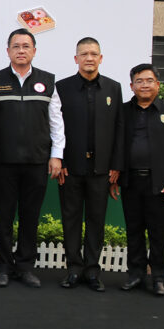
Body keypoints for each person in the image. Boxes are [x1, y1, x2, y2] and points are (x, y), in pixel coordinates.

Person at [0, 28, 65, 288]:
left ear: (34, 51)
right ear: (8, 51)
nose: (21, 50)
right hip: (3, 163)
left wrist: (56, 156)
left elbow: (56, 123)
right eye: (16, 46)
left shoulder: (48, 82)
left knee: (30, 217)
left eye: (26, 46)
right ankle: (3, 267)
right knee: (3, 217)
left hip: (37, 161)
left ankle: (25, 266)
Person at [54, 37, 124, 292]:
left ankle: (93, 271)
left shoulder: (113, 88)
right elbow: (55, 127)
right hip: (70, 168)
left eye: (94, 53)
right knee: (70, 220)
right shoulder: (62, 87)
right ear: (76, 59)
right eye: (84, 54)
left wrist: (116, 165)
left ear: (101, 58)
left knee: (96, 220)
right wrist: (59, 159)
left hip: (101, 169)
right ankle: (74, 269)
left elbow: (119, 129)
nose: (89, 58)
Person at [118, 64, 164, 296]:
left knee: (158, 232)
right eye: (139, 81)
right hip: (131, 181)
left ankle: (159, 277)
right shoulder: (123, 111)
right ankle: (135, 274)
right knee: (133, 230)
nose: (144, 85)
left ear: (158, 84)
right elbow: (115, 144)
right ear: (131, 86)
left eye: (149, 80)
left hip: (160, 183)